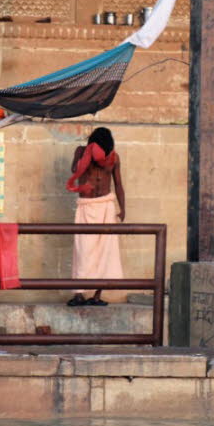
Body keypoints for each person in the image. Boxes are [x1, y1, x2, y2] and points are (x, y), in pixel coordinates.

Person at [66, 127, 126, 307]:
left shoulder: (114, 158)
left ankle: (97, 295)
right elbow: (74, 170)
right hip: (86, 206)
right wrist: (86, 155)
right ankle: (78, 294)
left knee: (106, 252)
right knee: (83, 250)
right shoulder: (81, 151)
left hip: (107, 206)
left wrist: (123, 209)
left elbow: (119, 184)